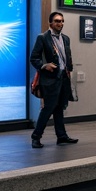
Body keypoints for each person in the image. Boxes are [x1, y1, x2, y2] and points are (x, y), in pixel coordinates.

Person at [29, 11, 76, 148]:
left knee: (59, 108)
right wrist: (44, 65)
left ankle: (61, 136)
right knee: (48, 108)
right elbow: (34, 58)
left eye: (61, 21)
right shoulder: (42, 38)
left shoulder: (66, 38)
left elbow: (67, 57)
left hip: (63, 78)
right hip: (50, 79)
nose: (60, 23)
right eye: (57, 21)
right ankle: (36, 137)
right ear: (50, 23)